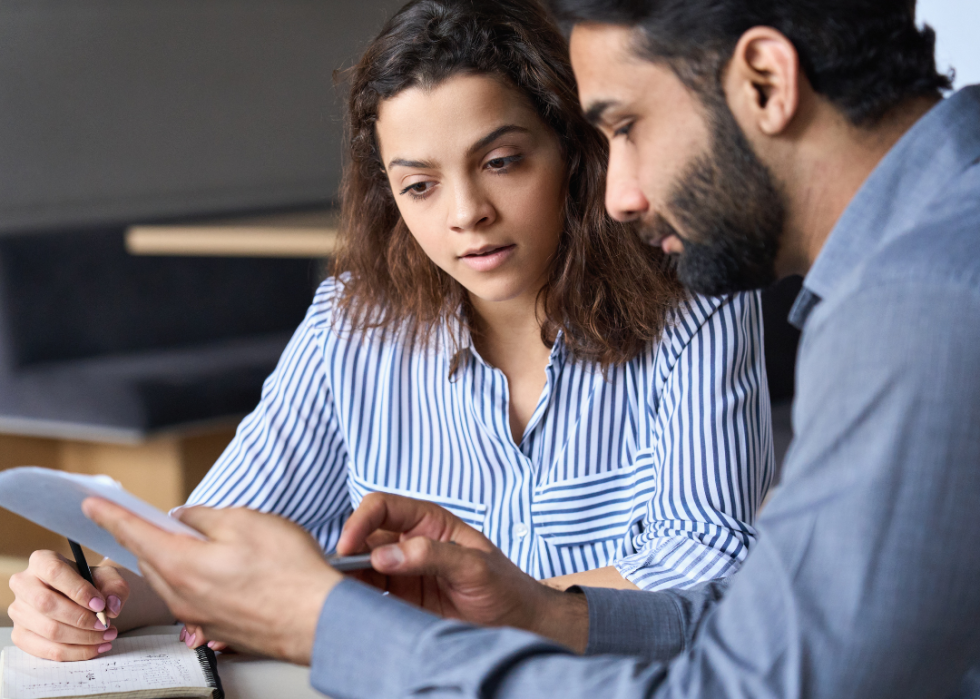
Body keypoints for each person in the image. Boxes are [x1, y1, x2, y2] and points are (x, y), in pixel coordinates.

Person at [82, 0, 980, 696]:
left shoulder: (918, 304)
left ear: (765, 81)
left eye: (622, 126)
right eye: (421, 184)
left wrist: (333, 622)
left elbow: (749, 682)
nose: (620, 192)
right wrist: (545, 610)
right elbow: (773, 632)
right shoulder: (924, 260)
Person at [7, 0, 774, 662]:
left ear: (574, 153)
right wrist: (93, 598)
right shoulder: (352, 321)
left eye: (502, 161)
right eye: (420, 184)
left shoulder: (695, 298)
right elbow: (221, 539)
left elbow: (713, 568)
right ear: (390, 196)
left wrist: (497, 606)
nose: (465, 212)